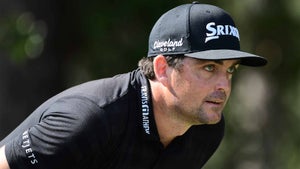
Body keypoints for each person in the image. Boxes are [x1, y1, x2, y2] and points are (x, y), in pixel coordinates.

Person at [0, 2, 267, 169]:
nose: (224, 85)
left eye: (230, 70)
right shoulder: (92, 119)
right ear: (163, 68)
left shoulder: (206, 130)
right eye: (209, 68)